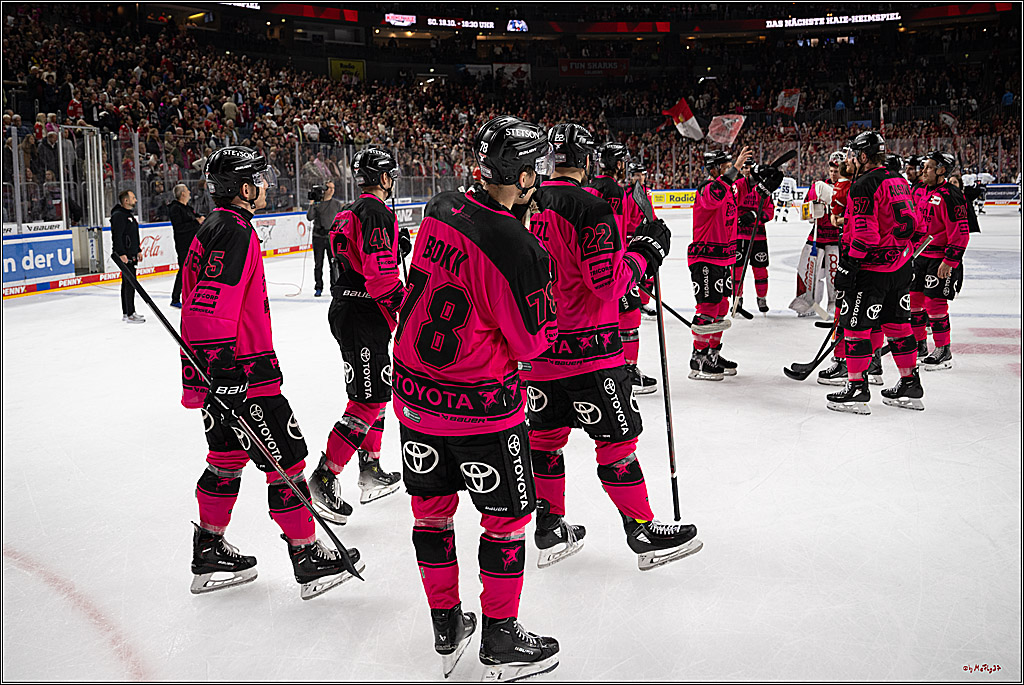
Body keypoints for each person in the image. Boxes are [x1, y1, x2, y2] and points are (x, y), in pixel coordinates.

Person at [392, 116, 559, 681]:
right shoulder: (519, 247)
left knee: (431, 514)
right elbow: (532, 344)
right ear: (526, 175)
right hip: (481, 410)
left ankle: (446, 624)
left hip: (414, 396)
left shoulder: (439, 207)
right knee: (507, 521)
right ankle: (501, 636)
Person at [182, 145, 362, 600]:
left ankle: (210, 547)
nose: (266, 186)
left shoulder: (214, 226)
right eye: (258, 180)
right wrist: (225, 368)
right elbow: (208, 305)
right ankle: (307, 556)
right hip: (244, 375)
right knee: (288, 462)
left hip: (218, 376)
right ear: (244, 189)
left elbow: (193, 298)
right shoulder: (235, 231)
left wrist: (209, 372)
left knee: (225, 459)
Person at [525, 122, 700, 574]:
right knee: (617, 442)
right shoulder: (592, 207)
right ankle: (641, 530)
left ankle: (549, 526)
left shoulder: (529, 201)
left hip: (538, 351)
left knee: (545, 439)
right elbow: (608, 283)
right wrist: (645, 254)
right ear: (587, 160)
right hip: (590, 353)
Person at [309, 149, 403, 526]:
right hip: (363, 314)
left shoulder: (350, 210)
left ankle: (371, 468)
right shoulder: (376, 212)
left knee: (377, 394)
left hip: (354, 312)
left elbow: (358, 257)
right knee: (366, 402)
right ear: (383, 178)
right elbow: (381, 277)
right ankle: (324, 477)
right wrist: (408, 307)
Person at [826, 131, 925, 414]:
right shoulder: (899, 180)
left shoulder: (864, 184)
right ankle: (910, 382)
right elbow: (918, 224)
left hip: (872, 270)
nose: (849, 160)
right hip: (900, 267)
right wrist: (903, 253)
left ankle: (857, 387)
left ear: (863, 156)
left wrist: (848, 265)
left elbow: (866, 235)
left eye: (852, 155)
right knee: (897, 325)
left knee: (855, 327)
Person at [585, 142, 657, 394]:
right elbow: (613, 230)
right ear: (617, 163)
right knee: (629, 315)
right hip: (613, 263)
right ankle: (626, 371)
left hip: (591, 261)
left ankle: (606, 367)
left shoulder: (591, 185)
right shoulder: (614, 190)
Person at [688, 147, 753, 379]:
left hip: (724, 257)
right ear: (714, 169)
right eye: (725, 168)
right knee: (707, 308)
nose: (730, 171)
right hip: (705, 257)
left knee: (721, 307)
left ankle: (713, 355)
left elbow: (741, 190)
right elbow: (715, 196)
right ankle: (698, 359)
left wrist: (758, 178)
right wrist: (736, 168)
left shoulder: (728, 189)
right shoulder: (707, 189)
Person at [911, 151, 971, 371]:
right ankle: (920, 346)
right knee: (913, 301)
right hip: (918, 256)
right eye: (924, 166)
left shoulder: (951, 195)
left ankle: (943, 350)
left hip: (939, 258)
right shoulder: (917, 189)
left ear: (941, 170)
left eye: (929, 167)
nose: (924, 170)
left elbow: (961, 232)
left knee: (934, 304)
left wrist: (950, 260)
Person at [792, 150, 844, 319]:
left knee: (834, 275)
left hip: (836, 239)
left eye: (837, 171)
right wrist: (811, 210)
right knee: (807, 271)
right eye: (832, 170)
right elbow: (805, 212)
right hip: (817, 236)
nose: (833, 174)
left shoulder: (849, 187)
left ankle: (835, 305)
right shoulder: (817, 187)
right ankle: (806, 304)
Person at [733, 159, 776, 314]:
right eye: (744, 167)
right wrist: (739, 218)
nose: (747, 170)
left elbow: (770, 211)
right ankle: (737, 299)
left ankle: (761, 298)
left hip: (758, 236)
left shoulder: (763, 188)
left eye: (749, 167)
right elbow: (729, 207)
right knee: (737, 270)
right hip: (739, 236)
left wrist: (756, 215)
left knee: (760, 269)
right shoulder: (737, 186)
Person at [110, 189, 145, 324]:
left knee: (128, 283)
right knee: (130, 283)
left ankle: (128, 312)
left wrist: (138, 250)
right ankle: (129, 313)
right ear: (126, 201)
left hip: (131, 253)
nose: (135, 200)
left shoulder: (128, 215)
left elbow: (133, 235)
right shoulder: (119, 215)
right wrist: (121, 253)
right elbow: (117, 236)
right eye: (133, 198)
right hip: (124, 255)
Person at [305, 180, 343, 297]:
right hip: (318, 237)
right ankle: (318, 287)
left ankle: (334, 286)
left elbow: (341, 219)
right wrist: (312, 204)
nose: (332, 190)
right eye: (329, 188)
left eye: (333, 188)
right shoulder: (317, 203)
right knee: (318, 264)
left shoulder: (337, 204)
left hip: (332, 237)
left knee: (333, 264)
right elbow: (309, 217)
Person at [169, 184, 204, 308]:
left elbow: (195, 217)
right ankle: (175, 298)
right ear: (182, 193)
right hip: (184, 244)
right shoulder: (175, 209)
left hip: (194, 243)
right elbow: (179, 227)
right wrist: (196, 222)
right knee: (184, 270)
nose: (189, 192)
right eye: (187, 190)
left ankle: (194, 294)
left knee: (195, 269)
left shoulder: (187, 208)